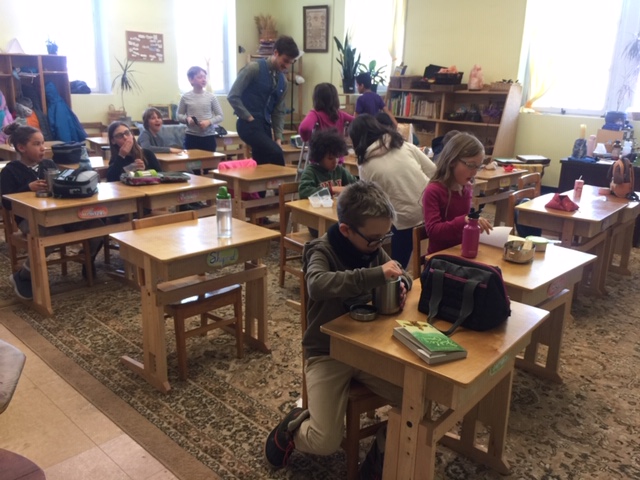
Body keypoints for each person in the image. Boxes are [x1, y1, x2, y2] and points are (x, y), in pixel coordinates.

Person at [264, 181, 410, 477]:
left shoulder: (371, 247)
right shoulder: (322, 249)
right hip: (326, 353)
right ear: (346, 230)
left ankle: (381, 453)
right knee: (325, 441)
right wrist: (374, 274)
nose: (379, 245)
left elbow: (397, 271)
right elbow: (317, 285)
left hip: (366, 349)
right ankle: (291, 429)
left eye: (385, 237)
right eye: (374, 239)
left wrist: (402, 283)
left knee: (414, 400)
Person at [1, 123, 103, 300]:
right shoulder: (11, 170)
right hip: (29, 220)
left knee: (97, 224)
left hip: (58, 214)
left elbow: (60, 186)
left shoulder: (48, 164)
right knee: (52, 233)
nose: (43, 148)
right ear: (21, 148)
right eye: (36, 144)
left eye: (43, 143)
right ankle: (24, 275)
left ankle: (88, 259)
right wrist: (27, 188)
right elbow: (5, 202)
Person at [349, 114, 437, 269]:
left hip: (404, 221)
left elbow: (369, 199)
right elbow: (434, 172)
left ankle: (391, 271)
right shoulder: (404, 146)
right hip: (431, 210)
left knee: (371, 227)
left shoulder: (366, 164)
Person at [228, 36, 300, 166]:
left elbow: (278, 111)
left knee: (263, 163)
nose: (287, 66)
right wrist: (249, 117)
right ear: (276, 53)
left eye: (290, 62)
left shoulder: (283, 82)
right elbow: (233, 95)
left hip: (265, 127)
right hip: (248, 125)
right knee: (276, 153)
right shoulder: (254, 68)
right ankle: (283, 180)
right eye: (285, 60)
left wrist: (278, 137)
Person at [422, 132, 492, 254]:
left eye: (478, 166)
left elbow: (461, 228)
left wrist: (474, 226)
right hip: (440, 259)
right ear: (452, 161)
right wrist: (465, 220)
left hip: (461, 252)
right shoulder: (433, 190)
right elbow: (433, 232)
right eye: (471, 165)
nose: (474, 172)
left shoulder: (466, 187)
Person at [176, 66, 224, 152]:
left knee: (210, 160)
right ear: (191, 79)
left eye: (204, 77)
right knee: (191, 160)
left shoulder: (211, 97)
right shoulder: (185, 97)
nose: (203, 79)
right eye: (200, 77)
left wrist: (209, 122)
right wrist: (187, 119)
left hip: (208, 137)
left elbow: (220, 116)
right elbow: (179, 115)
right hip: (191, 137)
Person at [298, 129, 357, 199]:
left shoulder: (339, 170)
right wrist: (332, 189)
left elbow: (356, 184)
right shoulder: (311, 172)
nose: (335, 161)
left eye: (337, 157)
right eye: (330, 158)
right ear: (320, 157)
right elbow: (304, 192)